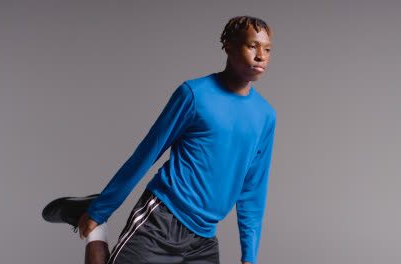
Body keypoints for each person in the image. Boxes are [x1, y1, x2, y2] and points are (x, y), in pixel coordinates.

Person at [46, 15, 276, 264]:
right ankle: (95, 226)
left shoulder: (265, 116)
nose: (261, 56)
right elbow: (147, 153)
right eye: (252, 46)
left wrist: (249, 257)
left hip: (205, 236)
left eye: (267, 49)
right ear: (228, 45)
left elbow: (253, 189)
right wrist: (102, 210)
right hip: (162, 219)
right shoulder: (194, 94)